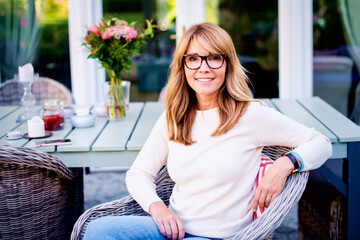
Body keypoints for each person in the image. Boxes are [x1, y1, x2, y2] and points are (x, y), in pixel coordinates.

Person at [83, 23, 332, 240]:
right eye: (193, 58)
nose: (203, 67)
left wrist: (285, 165)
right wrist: (157, 207)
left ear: (227, 64)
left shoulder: (250, 115)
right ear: (183, 66)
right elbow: (138, 174)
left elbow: (321, 142)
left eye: (214, 57)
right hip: (171, 228)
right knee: (97, 231)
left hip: (220, 236)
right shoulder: (174, 117)